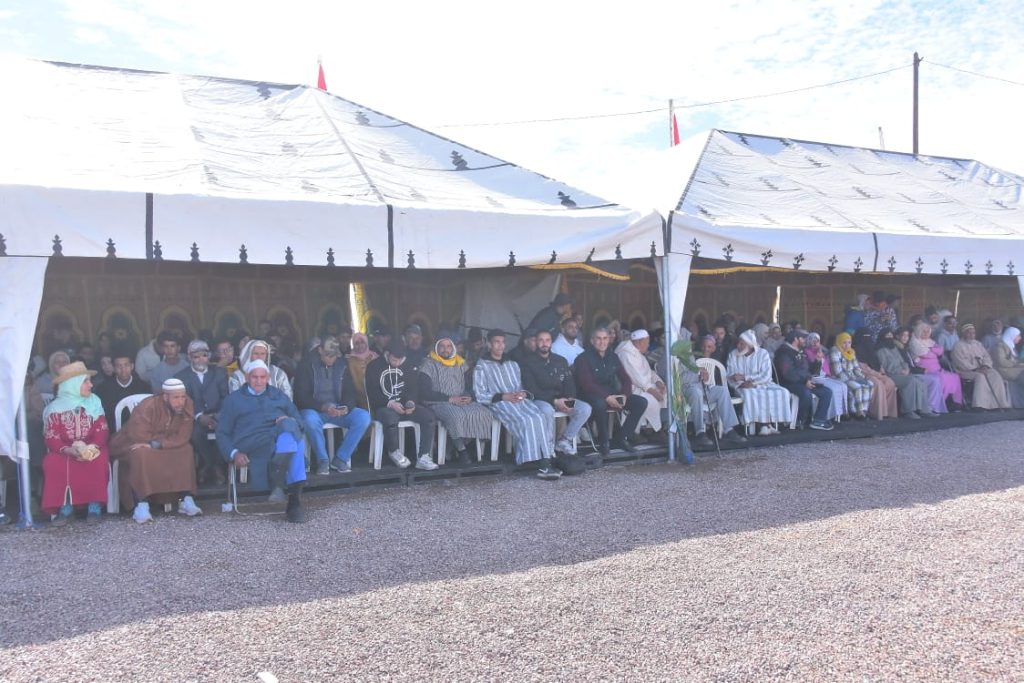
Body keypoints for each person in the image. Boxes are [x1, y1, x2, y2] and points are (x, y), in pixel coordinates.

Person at [216, 360, 309, 523]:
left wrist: (287, 420)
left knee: (290, 429)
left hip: (277, 439)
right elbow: (222, 432)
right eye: (254, 377)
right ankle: (293, 501)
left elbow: (299, 421)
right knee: (296, 444)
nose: (259, 381)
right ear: (247, 378)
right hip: (252, 442)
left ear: (268, 378)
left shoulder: (278, 395)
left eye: (262, 377)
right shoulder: (234, 400)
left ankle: (281, 489)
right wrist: (234, 453)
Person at [109, 379, 202, 523]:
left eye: (183, 397)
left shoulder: (186, 405)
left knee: (186, 450)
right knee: (141, 454)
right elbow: (138, 435)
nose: (180, 402)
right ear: (165, 397)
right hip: (133, 443)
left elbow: (183, 436)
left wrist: (159, 443)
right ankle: (141, 505)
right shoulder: (147, 406)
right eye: (176, 397)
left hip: (160, 444)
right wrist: (159, 442)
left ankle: (185, 499)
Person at [474, 329, 560, 478]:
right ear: (489, 344)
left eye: (502, 342)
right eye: (496, 342)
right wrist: (503, 396)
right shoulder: (482, 365)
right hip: (499, 402)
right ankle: (537, 462)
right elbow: (479, 394)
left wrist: (523, 393)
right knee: (526, 419)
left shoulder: (512, 363)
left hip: (518, 400)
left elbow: (520, 386)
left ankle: (545, 460)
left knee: (539, 416)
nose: (500, 346)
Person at [41, 362, 110, 525]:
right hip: (64, 450)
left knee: (98, 459)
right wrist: (67, 450)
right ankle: (65, 507)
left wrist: (92, 447)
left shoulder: (94, 402)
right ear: (72, 384)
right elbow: (51, 436)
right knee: (52, 462)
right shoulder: (55, 408)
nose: (90, 385)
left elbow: (102, 430)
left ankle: (94, 506)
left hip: (92, 446)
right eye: (86, 381)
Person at [293, 337, 371, 475]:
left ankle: (341, 458)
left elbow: (349, 391)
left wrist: (346, 407)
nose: (331, 359)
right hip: (315, 410)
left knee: (363, 417)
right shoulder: (306, 365)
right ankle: (322, 460)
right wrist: (323, 407)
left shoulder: (342, 364)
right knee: (310, 420)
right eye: (327, 355)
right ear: (320, 350)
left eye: (333, 356)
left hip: (337, 409)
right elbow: (301, 397)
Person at [420, 336, 495, 465]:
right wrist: (449, 399)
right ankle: (462, 450)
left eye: (449, 346)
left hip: (460, 399)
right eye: (442, 346)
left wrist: (469, 396)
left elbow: (470, 385)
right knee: (456, 416)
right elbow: (424, 392)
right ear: (436, 348)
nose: (445, 349)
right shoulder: (428, 364)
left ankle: (455, 446)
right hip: (438, 402)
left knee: (483, 413)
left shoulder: (460, 363)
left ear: (453, 348)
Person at [365, 341, 439, 470]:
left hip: (404, 406)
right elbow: (372, 393)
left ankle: (424, 457)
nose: (397, 363)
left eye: (400, 360)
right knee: (390, 417)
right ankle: (394, 451)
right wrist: (390, 403)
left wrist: (411, 403)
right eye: (394, 360)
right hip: (383, 407)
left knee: (428, 417)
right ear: (387, 354)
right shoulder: (374, 366)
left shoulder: (407, 365)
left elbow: (413, 389)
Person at [574, 327, 648, 455]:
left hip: (611, 393)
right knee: (600, 404)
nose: (602, 342)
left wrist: (624, 395)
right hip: (590, 395)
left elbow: (626, 379)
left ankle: (621, 438)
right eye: (598, 338)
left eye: (605, 338)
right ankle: (604, 441)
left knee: (641, 402)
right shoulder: (583, 358)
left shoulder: (613, 356)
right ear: (592, 341)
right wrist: (607, 397)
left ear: (609, 340)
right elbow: (587, 384)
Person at [521, 329, 593, 456]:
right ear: (536, 342)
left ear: (551, 342)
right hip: (540, 400)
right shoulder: (527, 362)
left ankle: (564, 440)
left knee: (585, 408)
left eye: (547, 340)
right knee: (547, 410)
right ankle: (548, 447)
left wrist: (569, 399)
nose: (544, 343)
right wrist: (554, 401)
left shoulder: (560, 360)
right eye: (541, 340)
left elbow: (569, 382)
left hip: (561, 399)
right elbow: (531, 389)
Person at [175, 340, 230, 486]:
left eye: (204, 356)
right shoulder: (181, 377)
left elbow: (226, 398)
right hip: (194, 417)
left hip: (218, 415)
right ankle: (214, 466)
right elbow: (184, 401)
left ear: (209, 356)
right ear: (189, 357)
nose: (201, 360)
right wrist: (199, 416)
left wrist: (216, 417)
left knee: (224, 430)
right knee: (195, 434)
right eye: (196, 357)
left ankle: (208, 466)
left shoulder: (219, 373)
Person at [726, 329, 796, 434]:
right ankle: (763, 425)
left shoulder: (763, 353)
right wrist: (740, 382)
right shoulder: (733, 354)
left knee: (783, 392)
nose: (738, 346)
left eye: (742, 344)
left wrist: (748, 379)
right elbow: (730, 374)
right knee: (751, 394)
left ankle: (768, 424)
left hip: (764, 383)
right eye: (738, 343)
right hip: (742, 386)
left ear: (750, 345)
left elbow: (766, 375)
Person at [774, 330, 833, 431]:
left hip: (803, 381)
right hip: (788, 383)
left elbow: (809, 370)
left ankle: (818, 420)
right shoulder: (784, 352)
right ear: (795, 339)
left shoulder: (799, 351)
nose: (805, 340)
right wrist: (804, 381)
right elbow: (788, 373)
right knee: (806, 393)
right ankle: (800, 420)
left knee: (827, 392)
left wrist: (817, 361)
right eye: (803, 338)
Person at [875, 329, 936, 419]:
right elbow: (886, 367)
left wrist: (906, 369)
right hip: (891, 375)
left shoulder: (894, 348)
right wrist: (900, 371)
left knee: (919, 381)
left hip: (902, 373)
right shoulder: (880, 350)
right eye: (887, 336)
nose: (889, 337)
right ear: (882, 337)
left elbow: (902, 361)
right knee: (910, 381)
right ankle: (908, 411)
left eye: (891, 335)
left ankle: (923, 410)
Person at [615, 329, 667, 434]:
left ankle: (652, 428)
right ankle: (638, 431)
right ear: (639, 342)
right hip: (631, 389)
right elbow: (636, 377)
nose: (648, 345)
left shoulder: (638, 352)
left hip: (645, 386)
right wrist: (652, 391)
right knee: (651, 399)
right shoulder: (625, 353)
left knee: (666, 394)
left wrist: (658, 382)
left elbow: (649, 372)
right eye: (647, 343)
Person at [951, 323, 1010, 410]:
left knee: (995, 375)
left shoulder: (978, 344)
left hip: (982, 368)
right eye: (969, 333)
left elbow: (986, 356)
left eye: (973, 333)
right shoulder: (958, 345)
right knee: (981, 377)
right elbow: (960, 362)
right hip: (966, 371)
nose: (971, 335)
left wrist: (985, 366)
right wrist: (975, 369)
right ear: (964, 333)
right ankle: (980, 405)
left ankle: (999, 404)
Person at [909, 322, 963, 411]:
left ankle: (955, 403)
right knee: (942, 378)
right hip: (925, 370)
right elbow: (926, 354)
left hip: (937, 369)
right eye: (924, 331)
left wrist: (931, 350)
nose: (926, 333)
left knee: (955, 377)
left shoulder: (930, 341)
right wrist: (933, 352)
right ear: (919, 331)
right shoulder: (914, 342)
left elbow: (940, 350)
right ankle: (937, 404)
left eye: (928, 331)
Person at [851, 328, 899, 420]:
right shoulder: (855, 350)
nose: (867, 340)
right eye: (864, 337)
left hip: (876, 373)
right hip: (863, 375)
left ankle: (889, 412)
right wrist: (878, 375)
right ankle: (878, 413)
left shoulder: (871, 349)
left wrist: (882, 373)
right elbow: (863, 368)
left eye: (869, 337)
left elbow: (877, 363)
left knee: (890, 383)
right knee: (878, 384)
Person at [803, 333, 849, 421]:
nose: (815, 343)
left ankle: (841, 412)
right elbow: (812, 369)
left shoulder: (823, 351)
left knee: (843, 386)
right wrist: (817, 358)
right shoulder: (806, 352)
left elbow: (826, 366)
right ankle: (829, 414)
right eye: (813, 341)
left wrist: (821, 352)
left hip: (825, 376)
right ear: (809, 341)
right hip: (814, 378)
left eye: (817, 341)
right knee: (834, 389)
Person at [828, 332, 874, 419]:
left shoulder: (851, 352)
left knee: (869, 384)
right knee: (857, 387)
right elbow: (837, 371)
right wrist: (853, 378)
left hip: (852, 377)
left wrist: (862, 377)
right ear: (839, 342)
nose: (847, 345)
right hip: (840, 378)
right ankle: (857, 412)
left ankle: (864, 410)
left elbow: (856, 368)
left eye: (849, 343)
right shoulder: (834, 351)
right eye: (844, 342)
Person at [991, 326, 1024, 407]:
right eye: (1018, 336)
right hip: (1003, 370)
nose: (1020, 338)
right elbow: (1001, 362)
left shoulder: (1011, 346)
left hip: (1011, 369)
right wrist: (1016, 363)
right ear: (1012, 335)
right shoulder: (1000, 346)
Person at [346, 332, 378, 410]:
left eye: (362, 342)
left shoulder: (374, 357)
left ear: (366, 343)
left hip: (376, 397)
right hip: (357, 399)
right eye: (356, 343)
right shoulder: (349, 360)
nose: (360, 346)